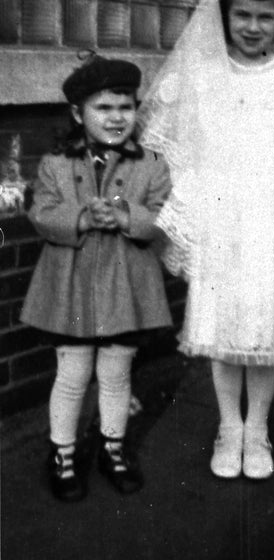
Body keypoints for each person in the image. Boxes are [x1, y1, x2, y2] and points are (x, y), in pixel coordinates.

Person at [137, 0, 274, 480]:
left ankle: (259, 431)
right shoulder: (201, 75)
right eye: (242, 15)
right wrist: (188, 208)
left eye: (265, 18)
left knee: (266, 324)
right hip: (222, 211)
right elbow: (178, 145)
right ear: (224, 16)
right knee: (224, 322)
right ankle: (230, 426)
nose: (253, 27)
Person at [21, 54, 172, 502]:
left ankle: (113, 446)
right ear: (77, 114)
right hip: (70, 287)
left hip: (127, 288)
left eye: (125, 107)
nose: (116, 117)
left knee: (116, 371)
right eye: (103, 108)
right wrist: (84, 216)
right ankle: (62, 452)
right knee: (72, 372)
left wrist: (128, 215)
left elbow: (165, 219)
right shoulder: (55, 163)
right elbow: (42, 214)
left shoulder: (152, 163)